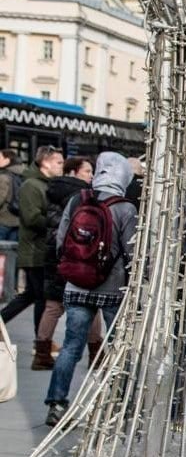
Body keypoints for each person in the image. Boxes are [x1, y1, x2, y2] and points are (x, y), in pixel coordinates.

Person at [45, 152, 137, 426]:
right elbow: (132, 251)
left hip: (76, 285)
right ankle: (120, 402)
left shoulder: (78, 200)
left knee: (71, 347)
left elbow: (61, 240)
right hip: (111, 287)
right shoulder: (125, 208)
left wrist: (75, 268)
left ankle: (56, 403)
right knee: (118, 345)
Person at [33, 156, 103, 370]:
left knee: (53, 306)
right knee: (90, 304)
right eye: (87, 171)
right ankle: (96, 354)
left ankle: (42, 353)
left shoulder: (53, 188)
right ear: (74, 172)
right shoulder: (83, 196)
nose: (91, 176)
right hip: (77, 254)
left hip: (55, 253)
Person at [2, 145, 64, 335]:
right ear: (45, 162)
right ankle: (41, 342)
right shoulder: (32, 185)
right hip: (34, 250)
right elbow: (31, 218)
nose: (62, 166)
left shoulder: (44, 183)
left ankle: (38, 340)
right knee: (40, 298)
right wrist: (58, 224)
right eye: (58, 162)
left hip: (39, 249)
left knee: (30, 295)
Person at [0, 148, 23, 241]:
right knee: (11, 253)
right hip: (17, 221)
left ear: (7, 160)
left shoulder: (3, 177)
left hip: (3, 221)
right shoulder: (21, 175)